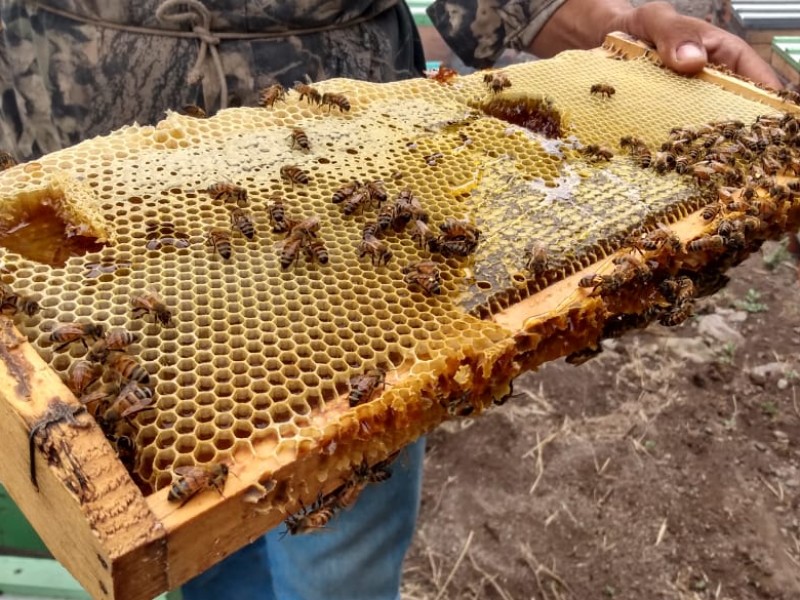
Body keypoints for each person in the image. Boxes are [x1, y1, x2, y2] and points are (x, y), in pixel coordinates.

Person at [0, 2, 784, 599]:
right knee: (183, 489)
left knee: (340, 533)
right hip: (82, 223)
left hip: (370, 208)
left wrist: (625, 17)